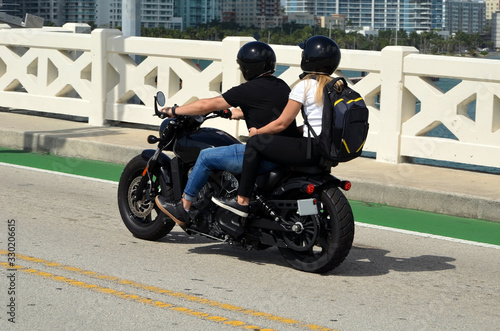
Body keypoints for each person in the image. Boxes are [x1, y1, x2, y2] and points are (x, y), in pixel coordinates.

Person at [155, 41, 301, 226]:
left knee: (206, 156)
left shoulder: (246, 90)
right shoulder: (282, 86)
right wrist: (234, 114)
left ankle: (184, 207)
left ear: (247, 68)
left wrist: (175, 111)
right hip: (283, 151)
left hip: (262, 154)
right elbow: (266, 110)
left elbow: (206, 105)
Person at [212, 35, 341, 217]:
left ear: (308, 59)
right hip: (328, 149)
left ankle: (242, 200)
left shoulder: (304, 86)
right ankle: (299, 210)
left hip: (310, 149)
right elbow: (320, 122)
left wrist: (258, 132)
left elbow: (282, 122)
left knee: (255, 143)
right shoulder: (337, 87)